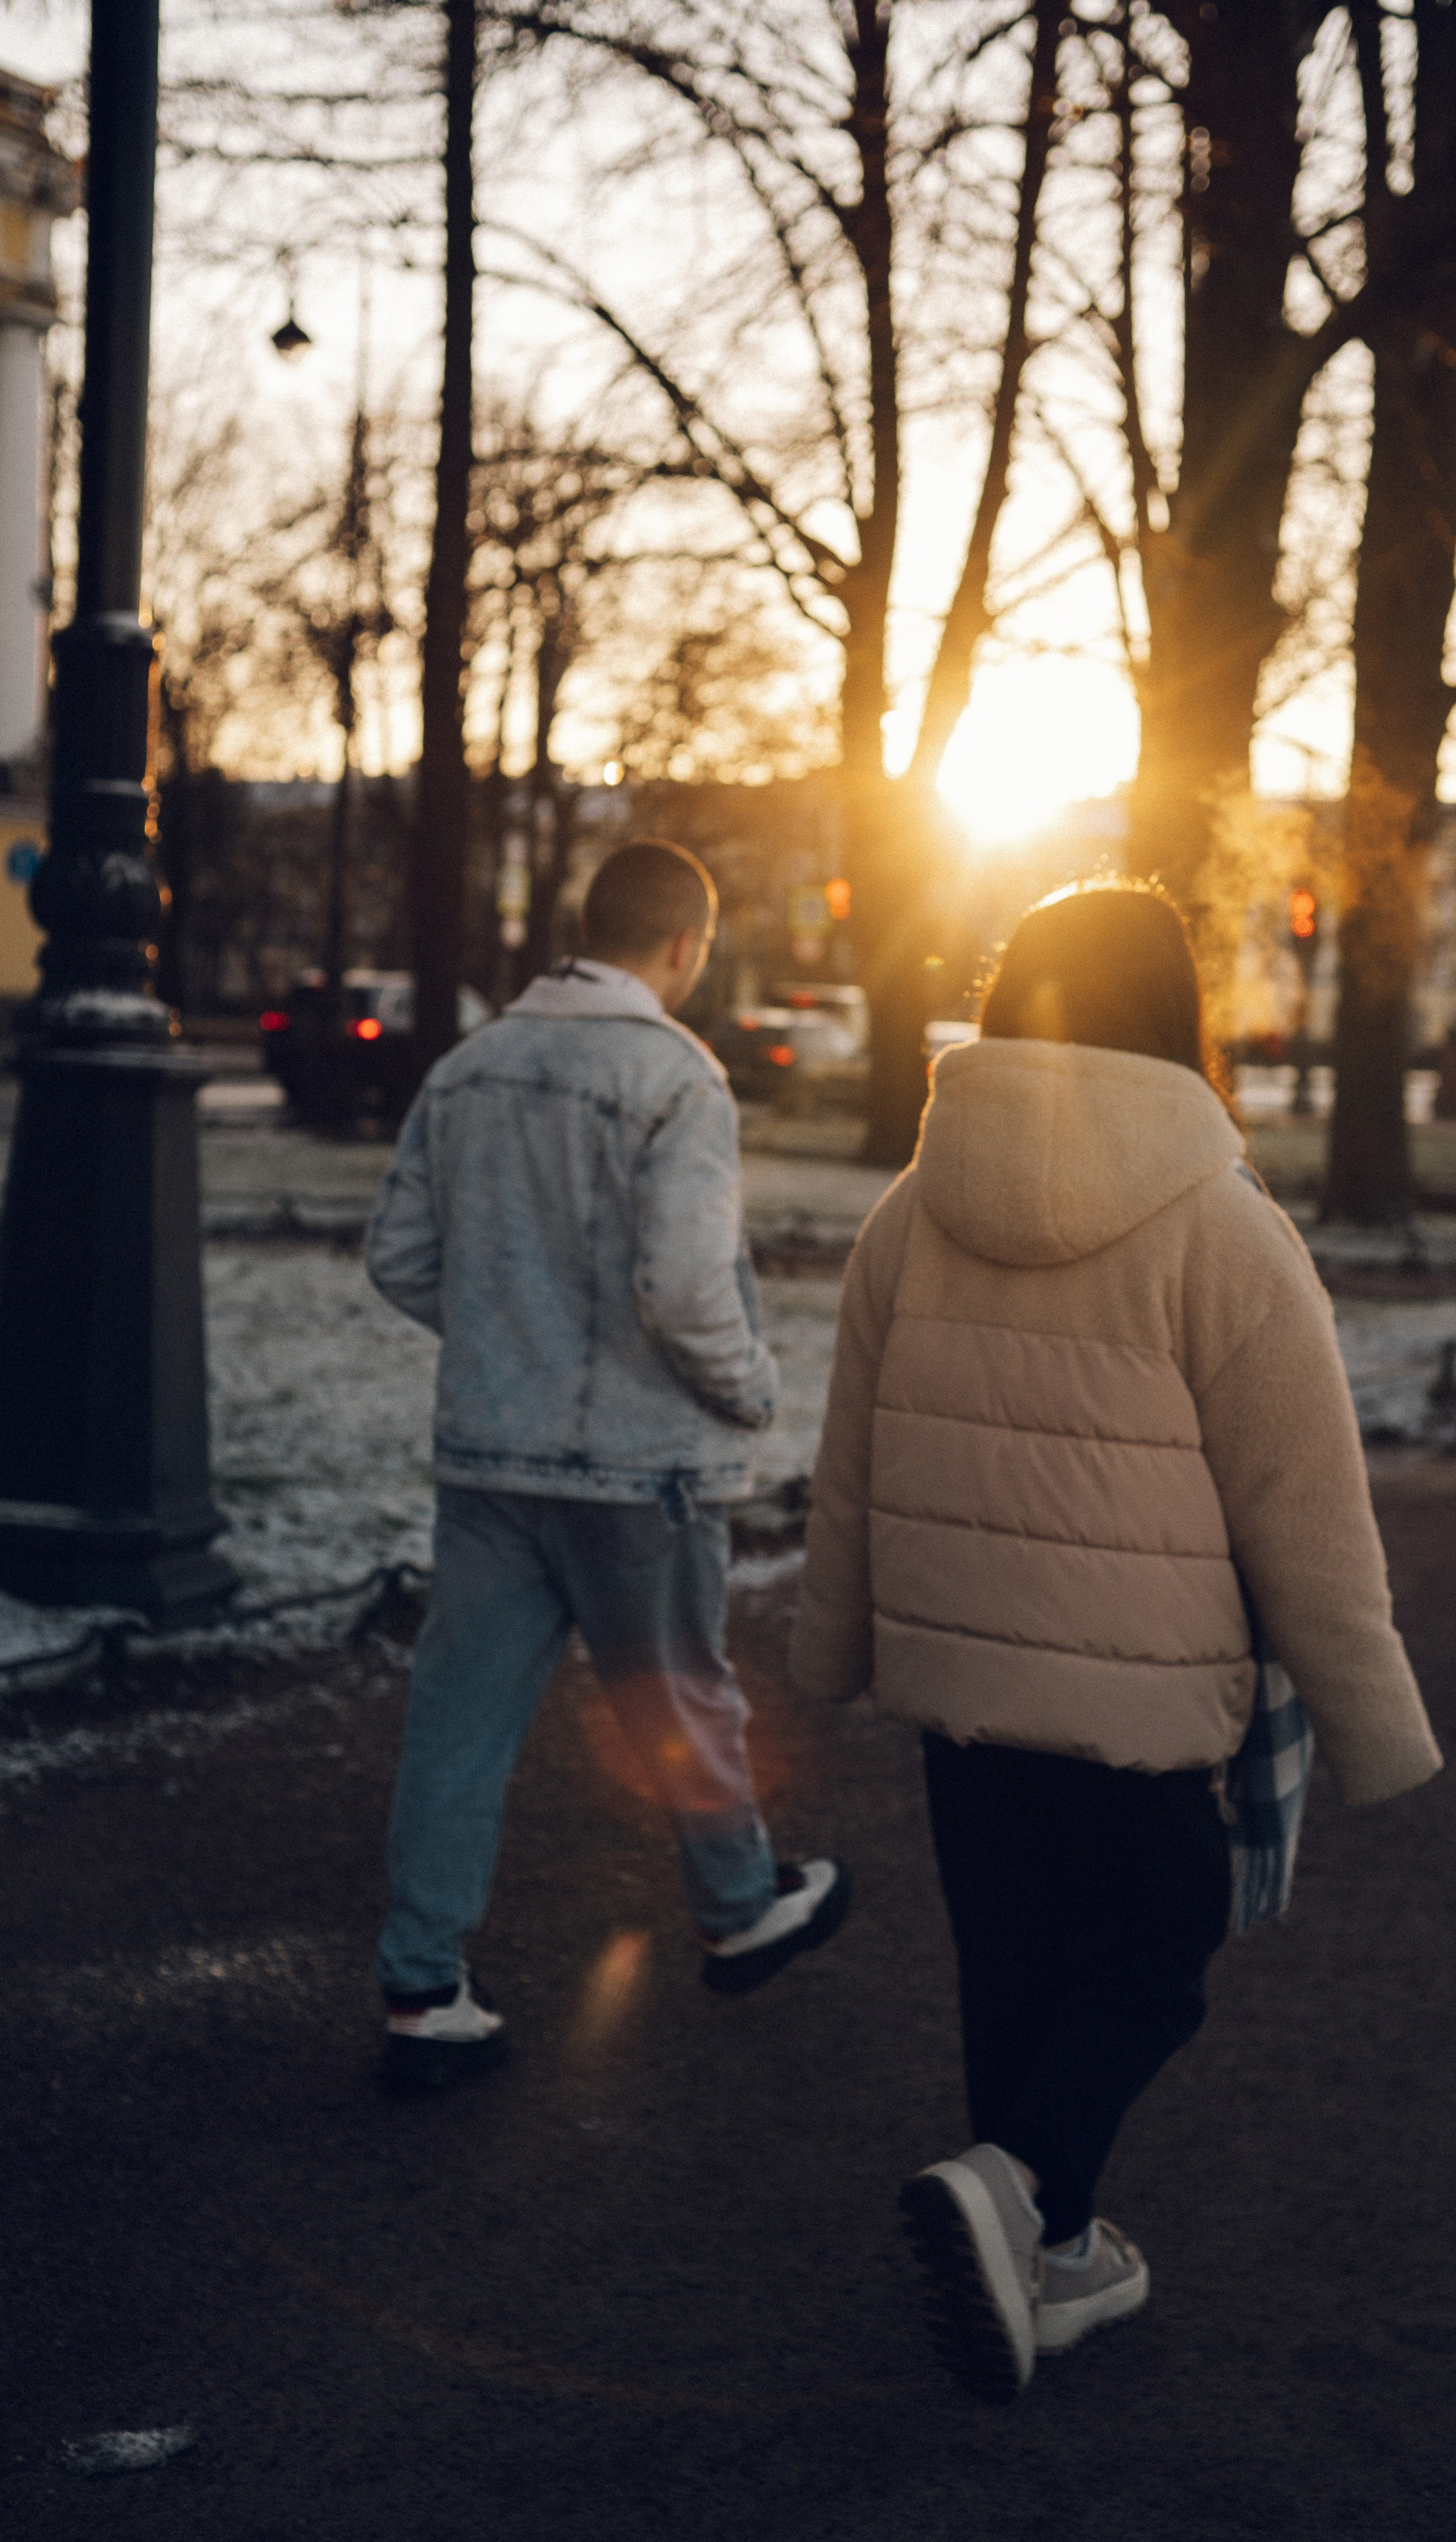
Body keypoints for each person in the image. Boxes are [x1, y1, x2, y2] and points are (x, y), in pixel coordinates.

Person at [790, 878, 1440, 2401]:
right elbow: (1303, 1515)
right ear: (1174, 1015)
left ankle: (1047, 2257)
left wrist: (832, 1649)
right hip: (1135, 1703)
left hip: (957, 1688)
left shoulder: (909, 1212)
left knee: (1010, 1967)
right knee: (1155, 1955)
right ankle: (1016, 2185)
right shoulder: (1222, 1229)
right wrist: (1376, 1728)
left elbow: (848, 1464)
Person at [366, 838, 849, 2096]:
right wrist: (751, 1390)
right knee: (682, 1698)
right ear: (687, 945)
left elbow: (399, 1256)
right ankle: (738, 1906)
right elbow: (686, 1288)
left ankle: (422, 1985)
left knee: (458, 1724)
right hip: (643, 1469)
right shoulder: (677, 1078)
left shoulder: (468, 1069)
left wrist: (505, 1338)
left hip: (491, 1457)